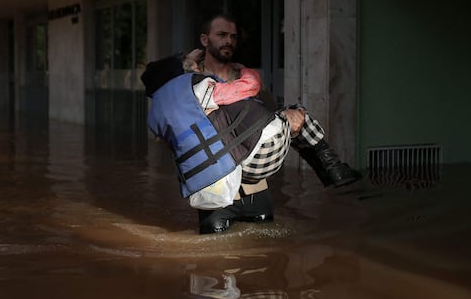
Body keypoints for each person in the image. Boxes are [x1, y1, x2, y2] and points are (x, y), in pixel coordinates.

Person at [141, 14, 361, 234]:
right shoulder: (189, 84)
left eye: (233, 37)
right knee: (215, 263)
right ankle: (334, 171)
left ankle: (334, 172)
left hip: (257, 192)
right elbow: (171, 139)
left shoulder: (242, 77)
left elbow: (267, 120)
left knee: (265, 258)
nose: (229, 41)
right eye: (222, 35)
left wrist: (289, 118)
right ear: (204, 40)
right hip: (219, 194)